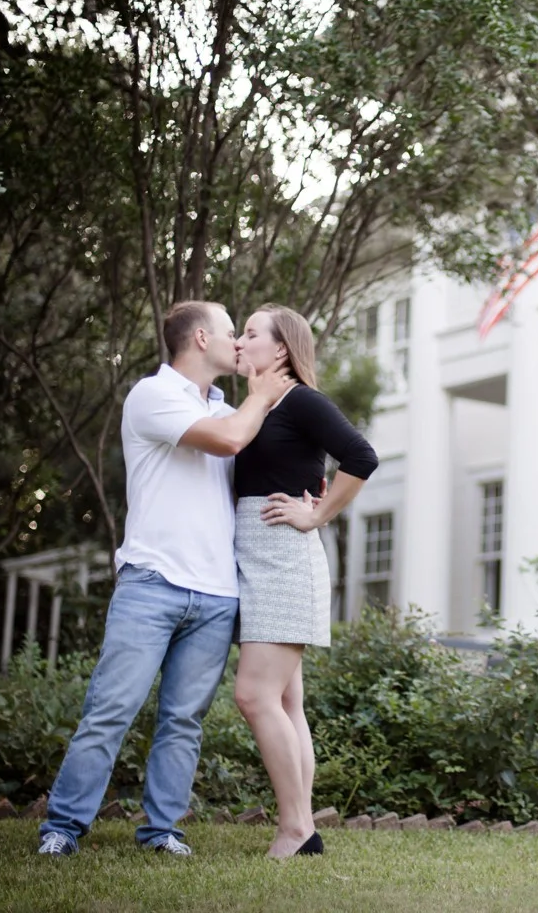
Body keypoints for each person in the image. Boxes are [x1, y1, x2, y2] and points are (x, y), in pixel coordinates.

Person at [38, 302, 294, 856]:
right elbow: (226, 442)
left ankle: (163, 832)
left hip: (218, 592)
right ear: (201, 338)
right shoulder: (153, 396)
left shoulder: (230, 406)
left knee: (183, 722)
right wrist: (261, 394)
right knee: (111, 711)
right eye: (232, 333)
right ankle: (63, 828)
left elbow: (257, 464)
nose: (240, 343)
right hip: (152, 582)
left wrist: (307, 501)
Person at [230, 304, 378, 858]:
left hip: (285, 559)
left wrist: (317, 515)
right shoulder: (258, 405)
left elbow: (362, 456)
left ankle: (296, 827)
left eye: (250, 334)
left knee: (254, 695)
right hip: (255, 556)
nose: (239, 343)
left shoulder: (302, 401)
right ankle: (302, 830)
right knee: (287, 702)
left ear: (281, 351)